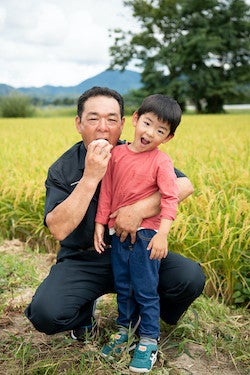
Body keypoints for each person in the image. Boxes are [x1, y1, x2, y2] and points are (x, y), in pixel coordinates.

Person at [24, 86, 205, 358]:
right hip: (85, 258)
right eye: (93, 118)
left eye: (111, 119)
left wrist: (137, 210)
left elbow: (184, 185)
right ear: (79, 124)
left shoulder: (138, 153)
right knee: (46, 313)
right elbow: (58, 228)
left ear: (123, 124)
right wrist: (90, 177)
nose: (102, 127)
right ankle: (83, 316)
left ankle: (145, 320)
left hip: (136, 250)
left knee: (189, 276)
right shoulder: (63, 168)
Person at [94, 94, 183, 372]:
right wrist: (100, 224)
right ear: (135, 119)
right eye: (147, 123)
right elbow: (107, 192)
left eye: (160, 131)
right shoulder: (117, 155)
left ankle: (148, 339)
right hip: (118, 233)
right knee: (123, 286)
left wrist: (162, 234)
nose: (150, 133)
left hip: (147, 236)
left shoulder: (161, 162)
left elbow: (170, 198)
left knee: (145, 289)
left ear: (167, 138)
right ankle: (125, 331)